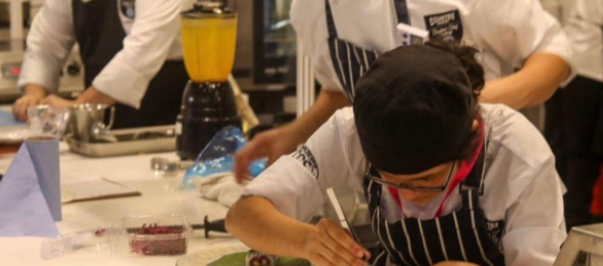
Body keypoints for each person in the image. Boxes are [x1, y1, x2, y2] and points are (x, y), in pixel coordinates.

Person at [226, 42, 566, 266]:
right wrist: (306, 241)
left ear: (473, 136)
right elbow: (242, 216)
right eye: (391, 181)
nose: (411, 197)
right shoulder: (349, 132)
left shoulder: (518, 155)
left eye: (429, 179)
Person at [233, 0, 574, 182]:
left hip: (487, 178)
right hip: (388, 194)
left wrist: (460, 104)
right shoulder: (309, 9)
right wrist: (292, 135)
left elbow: (552, 55)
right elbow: (342, 91)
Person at [12, 0, 192, 129]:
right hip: (97, 130)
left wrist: (79, 108)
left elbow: (140, 53)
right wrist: (34, 95)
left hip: (162, 127)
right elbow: (45, 46)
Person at [544, 0, 603, 228]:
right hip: (589, 68)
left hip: (555, 65)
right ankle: (574, 224)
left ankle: (553, 220)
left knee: (556, 147)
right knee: (583, 151)